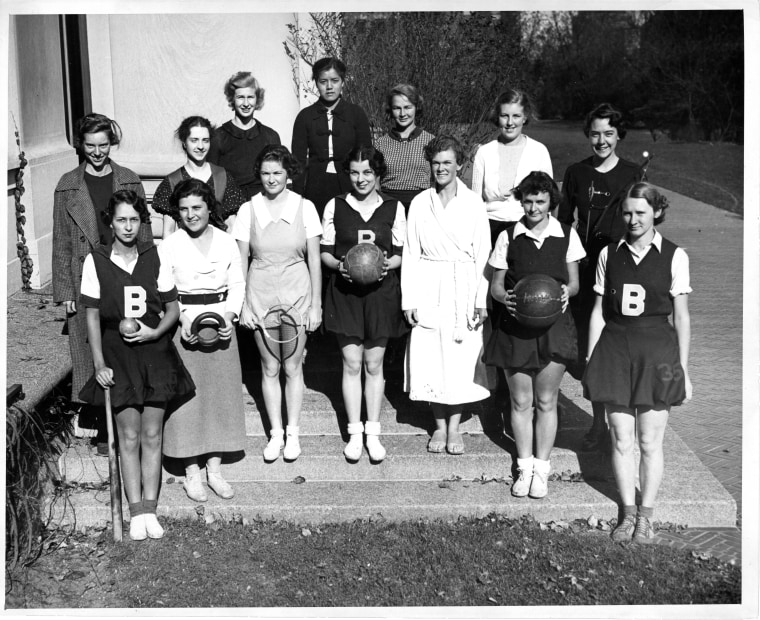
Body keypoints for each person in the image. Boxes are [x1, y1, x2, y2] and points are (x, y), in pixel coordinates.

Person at [78, 191, 194, 540]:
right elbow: (93, 317)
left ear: (142, 222)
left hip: (154, 353)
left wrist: (154, 331)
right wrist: (99, 363)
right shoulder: (96, 260)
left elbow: (173, 308)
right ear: (110, 223)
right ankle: (134, 512)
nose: (128, 227)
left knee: (151, 433)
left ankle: (150, 508)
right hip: (118, 356)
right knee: (127, 435)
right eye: (121, 220)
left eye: (134, 220)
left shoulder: (155, 255)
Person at [582, 183, 692, 544]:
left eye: (641, 213)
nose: (632, 219)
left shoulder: (675, 255)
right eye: (627, 212)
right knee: (621, 437)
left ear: (657, 213)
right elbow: (598, 313)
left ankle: (647, 515)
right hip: (615, 349)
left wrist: (684, 371)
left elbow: (681, 318)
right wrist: (591, 357)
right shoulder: (608, 254)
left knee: (649, 440)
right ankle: (627, 514)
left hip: (656, 351)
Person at [53, 113, 152, 455]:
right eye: (90, 145)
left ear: (112, 143)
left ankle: (128, 420)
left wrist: (146, 276)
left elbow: (145, 233)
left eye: (104, 145)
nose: (97, 152)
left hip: (122, 270)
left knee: (122, 342)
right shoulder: (67, 185)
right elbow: (62, 240)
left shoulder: (128, 179)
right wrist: (65, 292)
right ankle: (101, 425)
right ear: (81, 145)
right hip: (86, 275)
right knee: (91, 347)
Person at [484, 171, 585, 499]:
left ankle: (542, 468)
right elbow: (497, 286)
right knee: (520, 400)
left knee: (546, 400)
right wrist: (505, 299)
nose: (534, 207)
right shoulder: (509, 235)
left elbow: (574, 283)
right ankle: (523, 467)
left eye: (540, 201)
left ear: (551, 202)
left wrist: (567, 292)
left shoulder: (566, 234)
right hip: (516, 327)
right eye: (528, 200)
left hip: (554, 327)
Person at [557, 103, 644, 452]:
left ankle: (621, 421)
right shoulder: (577, 172)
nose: (602, 140)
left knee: (619, 344)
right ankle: (597, 422)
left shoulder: (634, 172)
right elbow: (564, 224)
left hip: (619, 269)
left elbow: (642, 220)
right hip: (586, 267)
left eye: (609, 133)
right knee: (589, 347)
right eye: (595, 133)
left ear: (619, 135)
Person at [401, 135, 493, 456]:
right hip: (428, 281)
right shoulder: (419, 203)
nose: (441, 168)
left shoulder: (474, 203)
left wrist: (481, 299)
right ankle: (438, 425)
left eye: (447, 163)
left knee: (459, 356)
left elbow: (484, 254)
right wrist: (408, 298)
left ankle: (455, 426)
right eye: (436, 162)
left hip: (463, 284)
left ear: (460, 166)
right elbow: (411, 252)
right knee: (430, 356)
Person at [158, 179, 246, 502]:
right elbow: (166, 289)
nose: (191, 215)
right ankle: (191, 471)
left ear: (210, 207)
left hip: (221, 327)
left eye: (197, 207)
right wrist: (183, 320)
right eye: (183, 209)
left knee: (218, 396)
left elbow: (237, 284)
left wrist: (230, 316)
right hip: (185, 329)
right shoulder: (170, 245)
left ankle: (215, 469)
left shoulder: (226, 242)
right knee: (188, 400)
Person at [233, 146, 323, 462]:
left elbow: (314, 259)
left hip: (297, 294)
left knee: (293, 365)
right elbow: (241, 260)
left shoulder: (305, 207)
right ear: (259, 175)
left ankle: (294, 433)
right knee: (270, 366)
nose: (272, 179)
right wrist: (243, 304)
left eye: (278, 173)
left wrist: (316, 306)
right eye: (266, 173)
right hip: (260, 294)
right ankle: (276, 434)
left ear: (288, 174)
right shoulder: (248, 210)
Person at [321, 146, 408, 462]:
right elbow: (325, 252)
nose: (360, 179)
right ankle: (354, 432)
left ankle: (374, 432)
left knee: (374, 364)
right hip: (345, 293)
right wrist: (339, 266)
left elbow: (400, 252)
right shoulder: (336, 205)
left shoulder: (394, 207)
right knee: (352, 363)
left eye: (367, 172)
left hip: (380, 294)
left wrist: (388, 265)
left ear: (378, 174)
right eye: (355, 172)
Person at [291, 57, 372, 217]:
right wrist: (298, 196)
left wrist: (366, 189)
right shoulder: (305, 117)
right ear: (316, 82)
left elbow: (366, 154)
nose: (329, 87)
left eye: (334, 80)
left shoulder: (356, 113)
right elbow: (297, 160)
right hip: (316, 186)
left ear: (343, 82)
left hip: (350, 184)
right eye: (323, 81)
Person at [471, 88, 553, 246]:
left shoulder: (539, 151)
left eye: (516, 116)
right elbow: (475, 203)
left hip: (528, 228)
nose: (510, 123)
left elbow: (548, 199)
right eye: (504, 116)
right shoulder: (484, 152)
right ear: (497, 117)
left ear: (525, 117)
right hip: (489, 229)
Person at [151, 116, 246, 238]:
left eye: (205, 140)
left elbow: (231, 226)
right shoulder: (172, 181)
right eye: (194, 140)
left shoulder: (222, 176)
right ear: (184, 143)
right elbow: (168, 231)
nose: (200, 146)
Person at [208, 71, 282, 200]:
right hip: (229, 207)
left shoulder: (270, 137)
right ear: (232, 99)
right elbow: (212, 183)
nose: (246, 103)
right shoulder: (218, 137)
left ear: (257, 99)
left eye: (250, 97)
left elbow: (277, 178)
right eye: (240, 97)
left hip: (263, 204)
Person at [373, 84, 435, 212]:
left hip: (421, 208)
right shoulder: (380, 143)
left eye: (407, 107)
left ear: (416, 108)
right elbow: (375, 183)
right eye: (397, 108)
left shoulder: (430, 141)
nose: (402, 114)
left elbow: (438, 180)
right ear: (390, 110)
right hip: (389, 207)